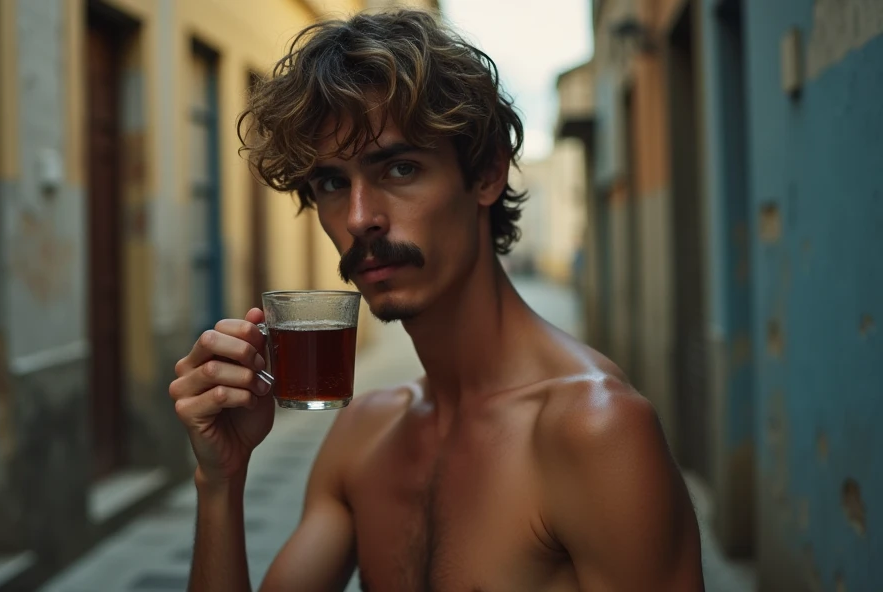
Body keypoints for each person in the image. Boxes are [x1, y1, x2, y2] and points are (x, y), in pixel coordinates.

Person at [168, 9, 704, 591]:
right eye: (331, 183)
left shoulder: (596, 434)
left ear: (487, 175)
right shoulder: (365, 434)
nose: (358, 218)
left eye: (399, 168)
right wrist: (219, 482)